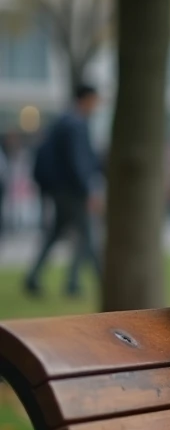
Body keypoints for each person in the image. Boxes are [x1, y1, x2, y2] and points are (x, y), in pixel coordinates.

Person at [25, 83, 104, 298]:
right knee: (87, 236)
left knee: (57, 234)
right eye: (96, 100)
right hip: (72, 192)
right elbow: (77, 161)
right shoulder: (76, 124)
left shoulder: (64, 120)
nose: (97, 106)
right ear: (87, 99)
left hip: (62, 190)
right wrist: (88, 190)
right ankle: (80, 282)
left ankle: (34, 277)